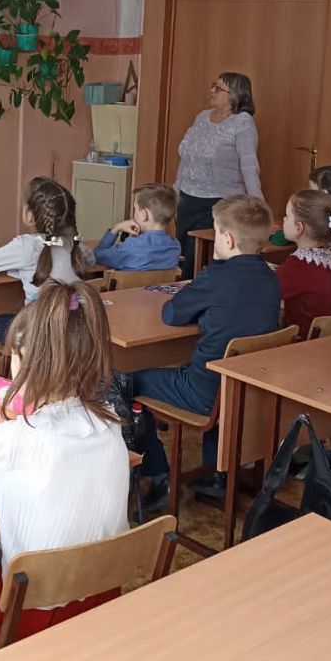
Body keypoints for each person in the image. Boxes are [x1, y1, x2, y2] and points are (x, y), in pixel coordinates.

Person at [0, 281, 129, 653]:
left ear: (27, 363)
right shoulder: (111, 425)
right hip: (103, 604)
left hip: (33, 623)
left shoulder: (17, 440)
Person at [130, 195, 281, 508]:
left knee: (126, 378)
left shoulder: (215, 277)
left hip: (203, 392)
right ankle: (217, 474)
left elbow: (172, 314)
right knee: (221, 369)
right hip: (245, 391)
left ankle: (158, 475)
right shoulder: (270, 278)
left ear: (226, 239)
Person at [0, 178, 94, 368]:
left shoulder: (26, 246)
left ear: (30, 215)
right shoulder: (75, 245)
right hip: (72, 332)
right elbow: (91, 259)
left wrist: (16, 267)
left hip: (34, 334)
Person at [172, 72, 263, 279]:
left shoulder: (243, 122)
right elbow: (186, 158)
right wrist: (175, 193)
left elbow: (249, 167)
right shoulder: (202, 117)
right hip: (188, 200)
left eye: (219, 88)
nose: (212, 90)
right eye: (214, 85)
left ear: (235, 96)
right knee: (182, 259)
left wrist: (259, 207)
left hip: (219, 204)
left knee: (202, 264)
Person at [275, 188, 331, 337]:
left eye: (287, 216)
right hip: (328, 341)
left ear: (299, 228)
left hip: (300, 345)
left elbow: (261, 294)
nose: (283, 219)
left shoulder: (296, 267)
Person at [93, 183, 181, 272]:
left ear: (144, 214)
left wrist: (116, 228)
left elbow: (96, 256)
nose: (134, 214)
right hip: (157, 286)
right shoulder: (175, 246)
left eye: (135, 209)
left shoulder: (131, 246)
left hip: (128, 286)